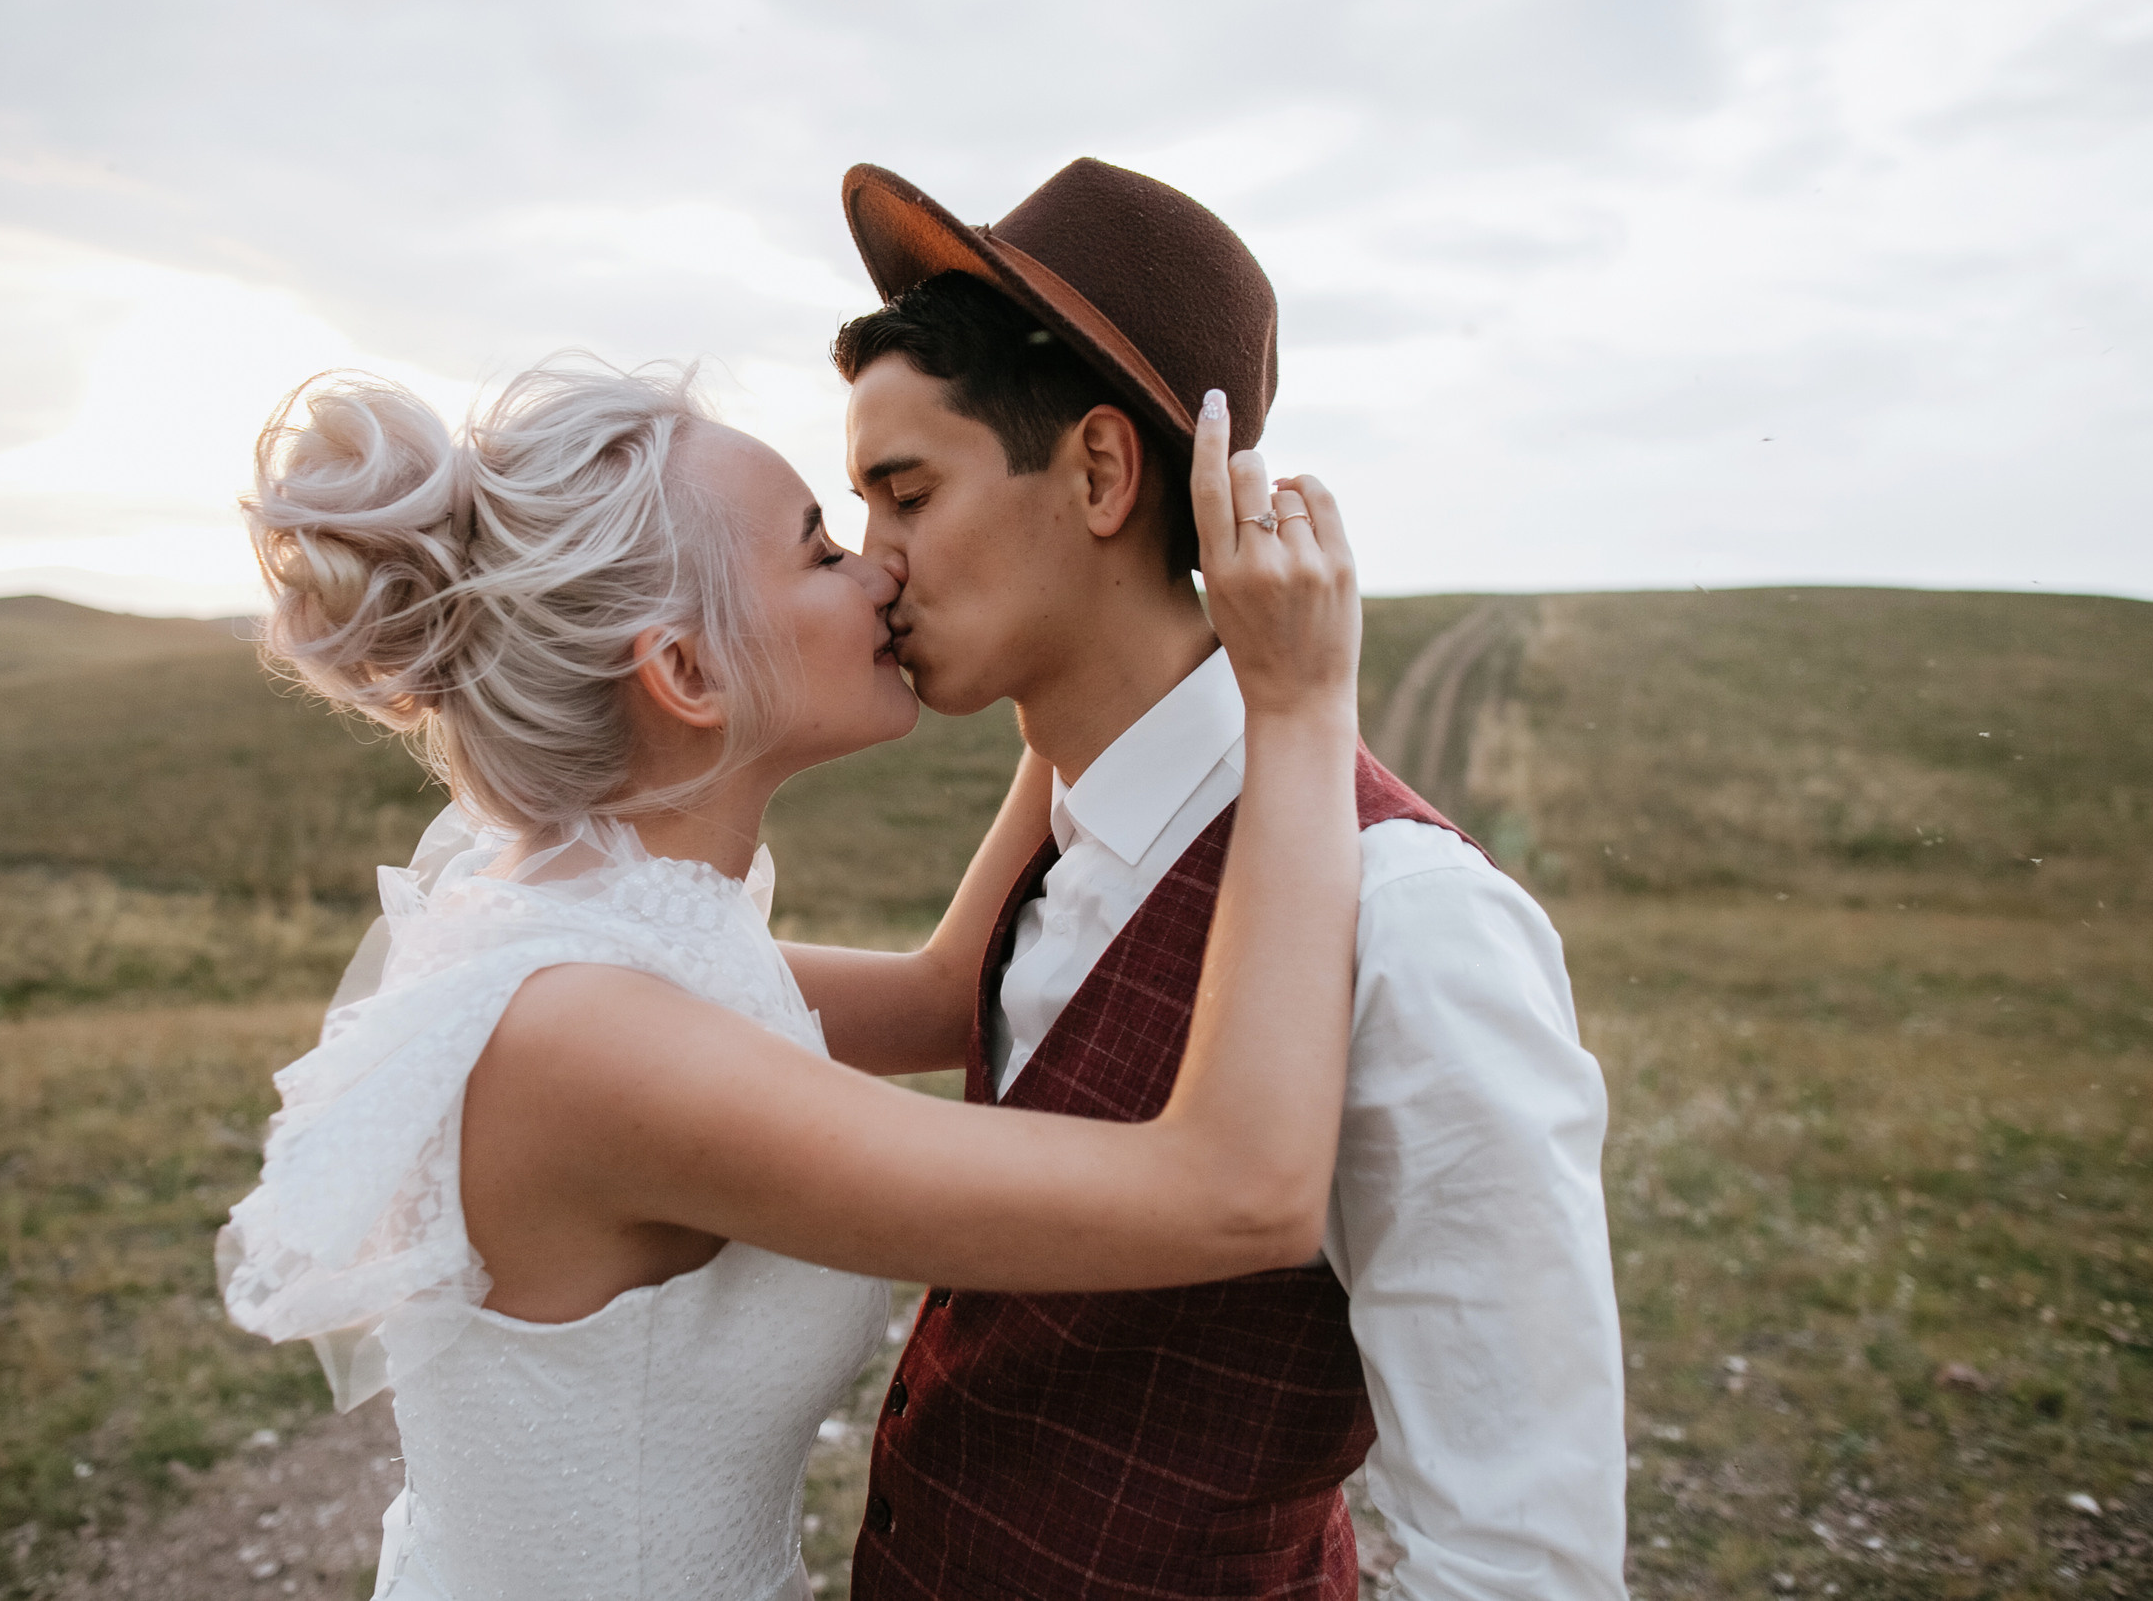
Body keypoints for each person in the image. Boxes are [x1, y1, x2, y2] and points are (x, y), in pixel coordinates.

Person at [216, 349, 1369, 1600]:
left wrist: (1083, 623)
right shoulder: (589, 1042)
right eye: (820, 550)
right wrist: (1299, 704)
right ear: (688, 675)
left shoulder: (612, 931)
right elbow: (1237, 1193)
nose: (880, 568)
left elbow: (945, 992)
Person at [791, 160, 1630, 1599]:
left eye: (906, 493)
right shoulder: (1071, 802)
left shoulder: (1415, 924)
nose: (874, 568)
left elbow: (1519, 1556)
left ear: (1105, 474)